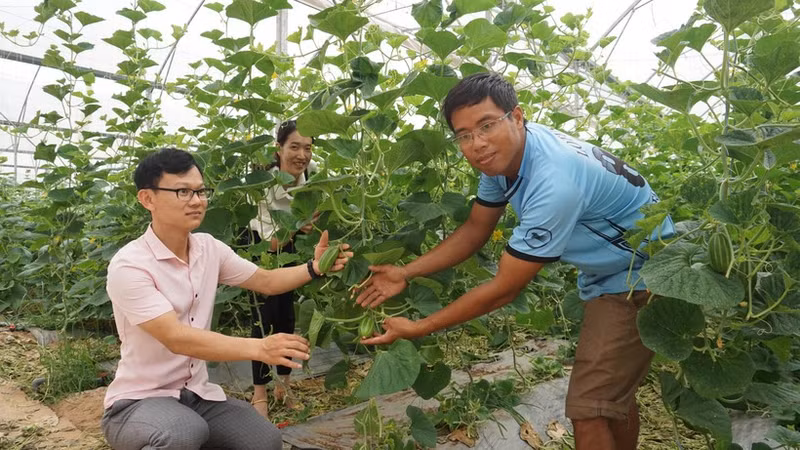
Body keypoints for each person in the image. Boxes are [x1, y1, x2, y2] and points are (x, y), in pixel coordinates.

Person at [355, 72, 674, 450]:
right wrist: (405, 271)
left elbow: (504, 289)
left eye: (487, 125)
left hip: (641, 277)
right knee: (609, 396)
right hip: (616, 272)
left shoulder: (553, 182)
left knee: (589, 409)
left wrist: (419, 326)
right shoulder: (507, 160)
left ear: (517, 116)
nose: (477, 144)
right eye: (464, 135)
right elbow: (476, 228)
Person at [102, 148, 351, 450]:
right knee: (183, 433)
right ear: (147, 199)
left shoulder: (208, 249)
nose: (197, 201)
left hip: (197, 396)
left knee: (264, 440)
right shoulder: (130, 265)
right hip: (138, 402)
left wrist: (314, 267)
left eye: (200, 191)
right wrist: (260, 347)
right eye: (182, 191)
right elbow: (176, 338)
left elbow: (266, 281)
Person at [243, 120, 319, 418]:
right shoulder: (262, 187)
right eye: (295, 147)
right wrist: (301, 224)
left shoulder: (309, 182)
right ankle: (259, 394)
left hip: (290, 249)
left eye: (308, 148)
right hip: (261, 249)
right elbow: (271, 244)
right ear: (279, 149)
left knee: (287, 318)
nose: (302, 154)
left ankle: (283, 387)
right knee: (262, 320)